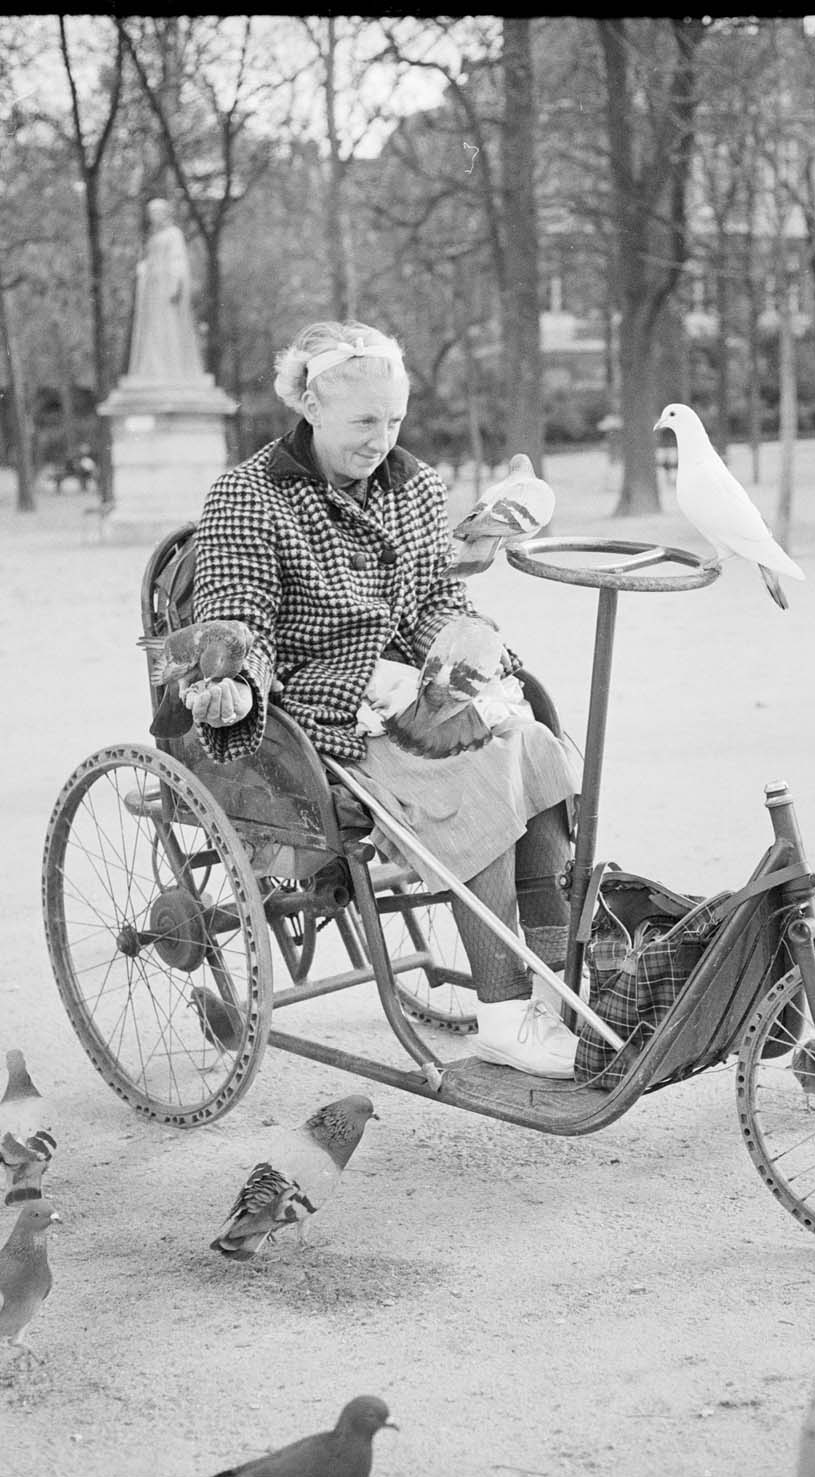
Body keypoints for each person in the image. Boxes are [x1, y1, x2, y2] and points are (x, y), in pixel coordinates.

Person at [188, 319, 581, 1078]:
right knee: (473, 779)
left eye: (394, 419)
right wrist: (235, 684)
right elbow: (240, 619)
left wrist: (461, 633)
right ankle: (503, 1014)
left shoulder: (415, 484)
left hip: (416, 693)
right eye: (364, 421)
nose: (382, 438)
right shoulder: (248, 495)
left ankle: (551, 998)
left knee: (530, 746)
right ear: (309, 403)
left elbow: (431, 595)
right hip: (319, 709)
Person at [128, 198, 204, 381]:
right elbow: (149, 261)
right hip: (153, 290)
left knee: (169, 327)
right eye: (151, 213)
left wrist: (176, 284)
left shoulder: (173, 234)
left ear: (165, 213)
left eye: (157, 212)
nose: (153, 217)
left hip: (166, 288)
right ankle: (154, 367)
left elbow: (178, 260)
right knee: (154, 331)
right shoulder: (154, 237)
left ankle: (171, 368)